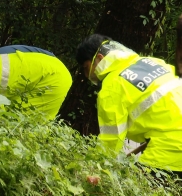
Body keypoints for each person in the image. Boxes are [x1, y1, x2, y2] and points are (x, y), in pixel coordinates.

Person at [75, 34, 182, 177]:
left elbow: (111, 140)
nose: (86, 74)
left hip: (171, 147)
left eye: (86, 67)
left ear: (100, 58)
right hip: (172, 139)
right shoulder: (151, 62)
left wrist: (95, 171)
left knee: (145, 186)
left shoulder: (112, 86)